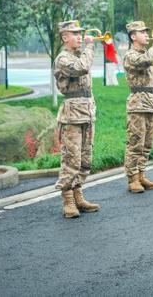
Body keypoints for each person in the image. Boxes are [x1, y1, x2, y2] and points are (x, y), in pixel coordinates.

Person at [53, 20, 100, 218]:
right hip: (72, 115)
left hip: (87, 112)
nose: (80, 37)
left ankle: (78, 193)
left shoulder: (80, 55)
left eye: (80, 33)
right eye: (75, 34)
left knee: (85, 159)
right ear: (65, 37)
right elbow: (81, 68)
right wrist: (90, 47)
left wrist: (86, 49)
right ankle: (68, 200)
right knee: (71, 159)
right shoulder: (63, 59)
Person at [123, 21, 153, 193]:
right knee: (135, 143)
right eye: (143, 32)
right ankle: (132, 179)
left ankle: (141, 174)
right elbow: (148, 60)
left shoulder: (144, 52)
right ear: (133, 36)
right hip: (137, 105)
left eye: (147, 32)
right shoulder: (131, 55)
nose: (147, 35)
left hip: (149, 103)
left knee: (147, 143)